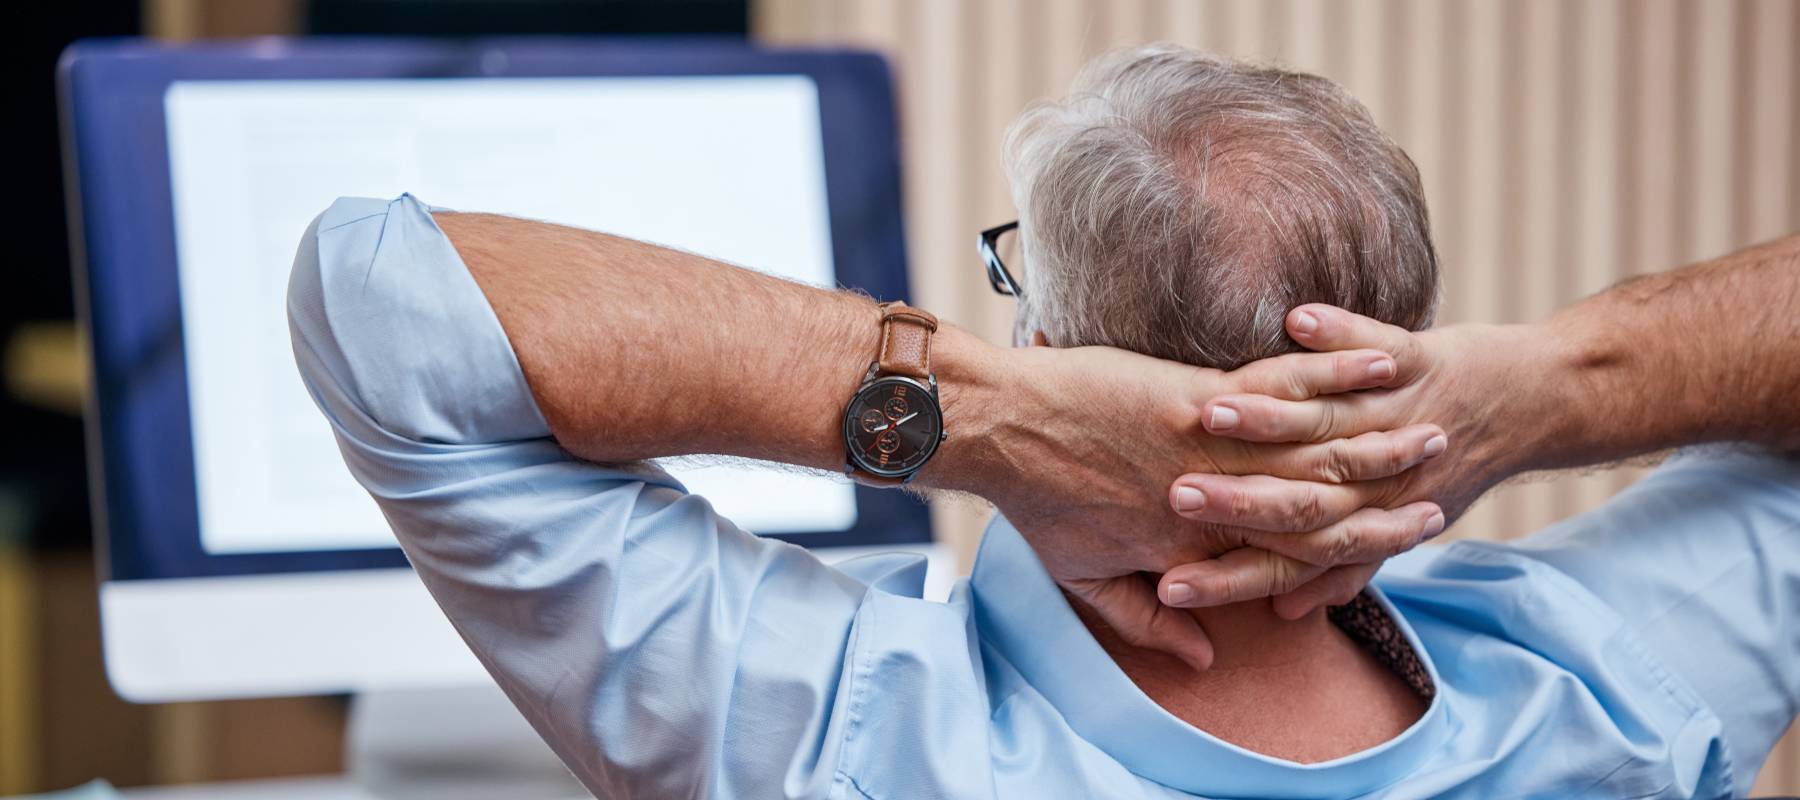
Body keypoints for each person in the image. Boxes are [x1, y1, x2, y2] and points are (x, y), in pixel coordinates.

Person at [287, 45, 1800, 799]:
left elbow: (380, 299)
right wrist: (1547, 387)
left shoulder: (842, 730)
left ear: (1058, 354)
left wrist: (990, 421)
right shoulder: (1616, 697)